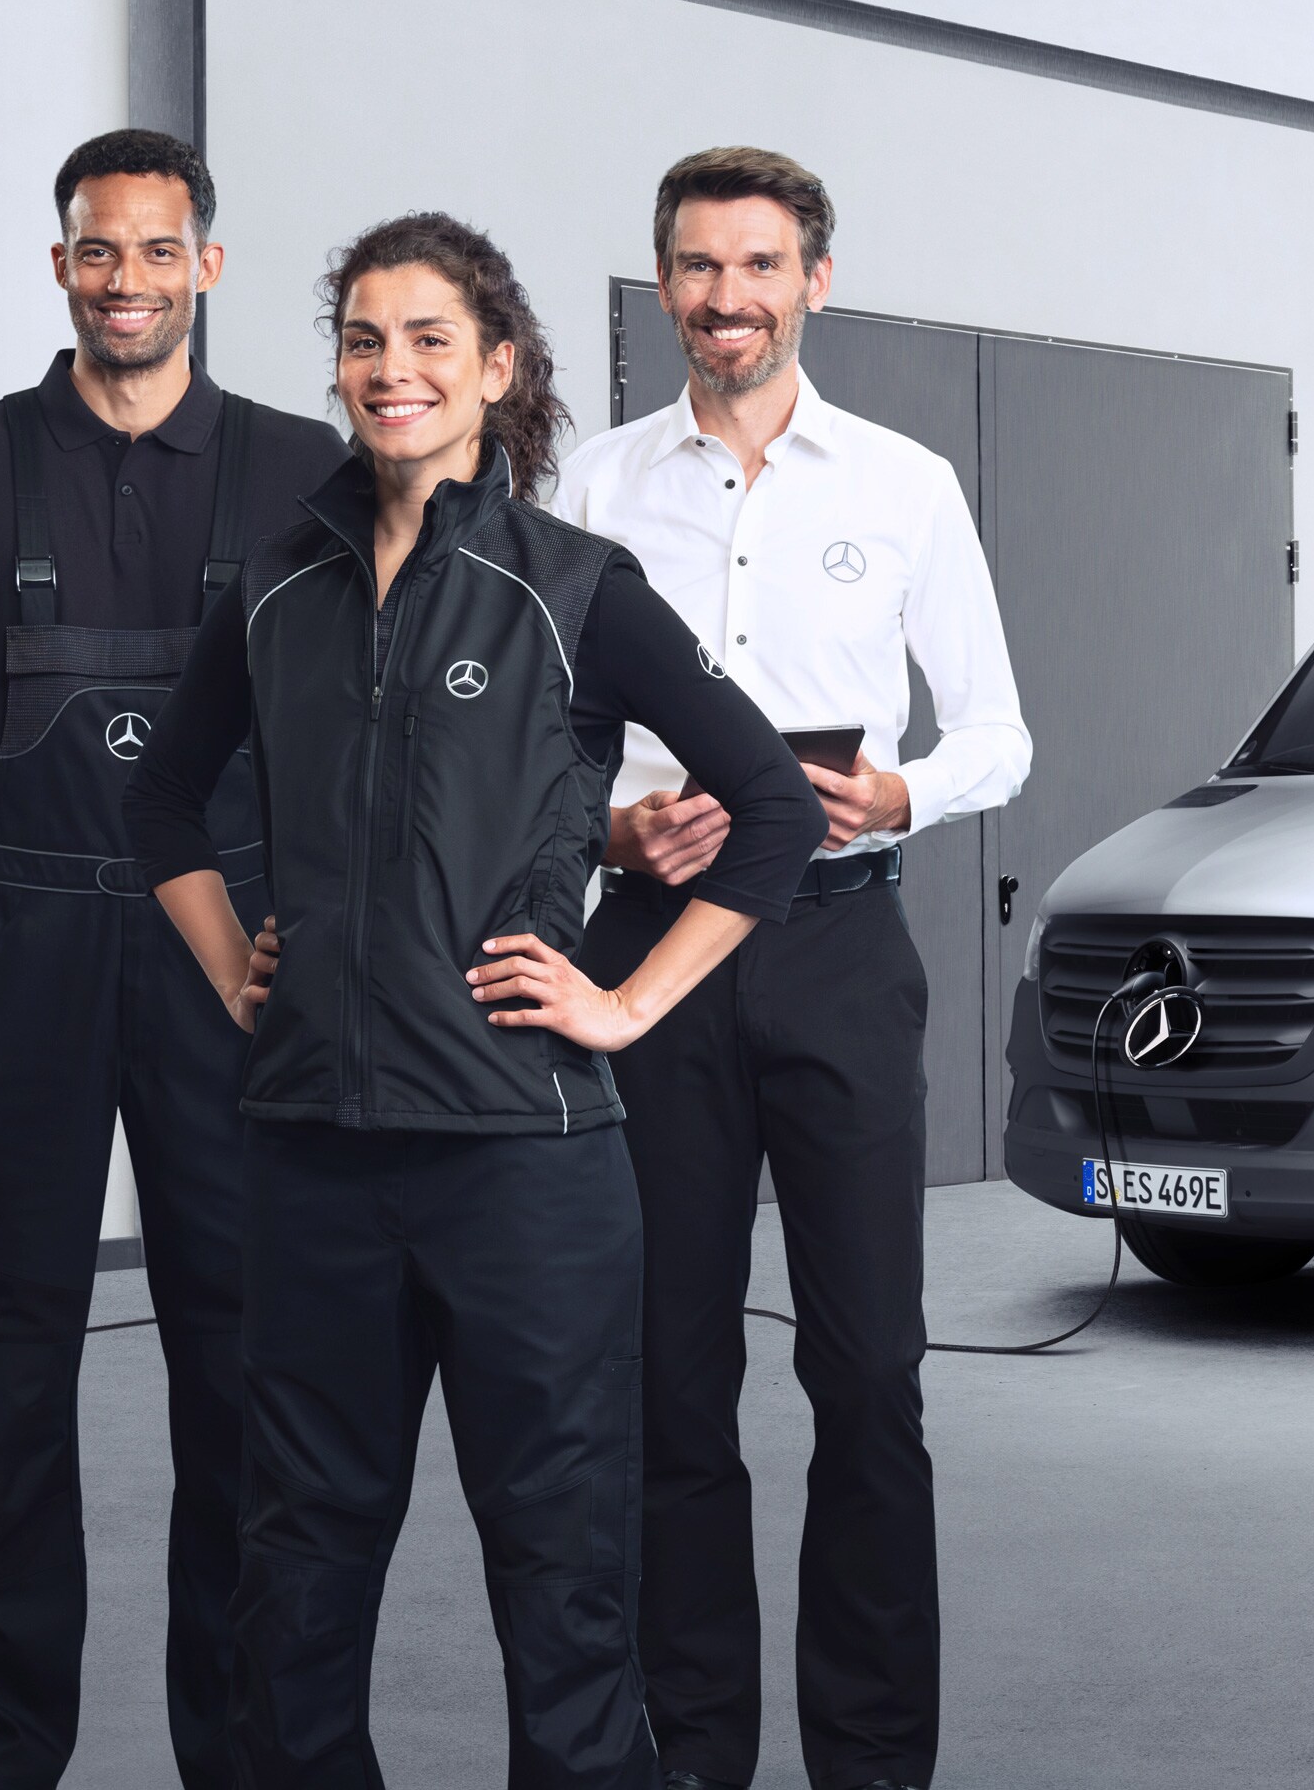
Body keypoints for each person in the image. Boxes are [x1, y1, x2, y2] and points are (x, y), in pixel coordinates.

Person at [124, 212, 827, 1788]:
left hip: (523, 1163)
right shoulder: (276, 584)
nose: (392, 370)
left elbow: (770, 810)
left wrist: (628, 1004)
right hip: (308, 1155)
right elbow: (163, 810)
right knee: (292, 1583)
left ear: (496, 367)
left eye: (430, 339)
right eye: (365, 340)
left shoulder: (572, 588)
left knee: (564, 1584)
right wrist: (234, 957)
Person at [0, 128, 351, 1790]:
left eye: (157, 249)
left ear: (208, 264)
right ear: (60, 264)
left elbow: (378, 736)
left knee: (249, 1368)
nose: (125, 277)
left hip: (236, 960)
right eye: (96, 249)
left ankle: (252, 1756)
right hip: (24, 957)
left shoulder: (305, 474)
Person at [554, 147, 1032, 1790]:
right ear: (663, 283)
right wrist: (615, 841)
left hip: (837, 944)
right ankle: (696, 1752)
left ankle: (874, 1762)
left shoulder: (902, 485)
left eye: (757, 266)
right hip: (649, 960)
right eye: (695, 267)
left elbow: (999, 733)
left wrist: (903, 790)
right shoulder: (595, 492)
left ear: (815, 279)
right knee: (668, 1370)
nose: (726, 298)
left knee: (869, 1380)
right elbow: (541, 754)